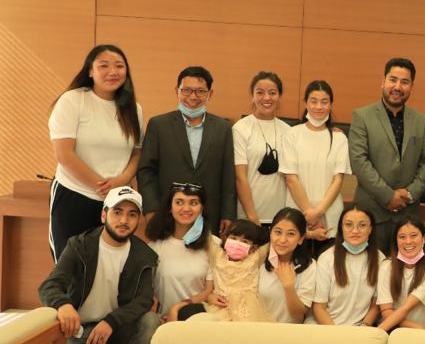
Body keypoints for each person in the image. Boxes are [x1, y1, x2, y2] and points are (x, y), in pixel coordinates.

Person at [38, 186, 159, 344]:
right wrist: (63, 304)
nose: (124, 220)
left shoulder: (145, 256)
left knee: (151, 321)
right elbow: (49, 285)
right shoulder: (79, 246)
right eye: (117, 212)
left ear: (139, 220)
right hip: (81, 330)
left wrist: (110, 322)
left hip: (116, 327)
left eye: (132, 214)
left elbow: (144, 300)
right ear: (104, 215)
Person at [48, 44, 143, 260]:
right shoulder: (73, 100)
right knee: (70, 266)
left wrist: (123, 179)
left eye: (119, 66)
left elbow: (137, 152)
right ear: (90, 71)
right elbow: (64, 154)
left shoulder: (133, 109)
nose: (113, 72)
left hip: (116, 201)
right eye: (104, 66)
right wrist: (100, 186)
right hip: (75, 195)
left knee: (109, 267)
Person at [137, 66, 236, 236]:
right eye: (187, 90)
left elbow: (227, 174)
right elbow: (146, 170)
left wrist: (228, 213)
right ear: (177, 91)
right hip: (166, 213)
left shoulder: (223, 128)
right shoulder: (158, 125)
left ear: (209, 94)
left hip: (208, 214)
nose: (193, 96)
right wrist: (151, 209)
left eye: (200, 91)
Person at [348, 58, 425, 254]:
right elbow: (359, 161)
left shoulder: (421, 120)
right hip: (370, 213)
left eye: (404, 82)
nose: (397, 87)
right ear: (383, 81)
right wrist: (388, 196)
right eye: (393, 80)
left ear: (412, 86)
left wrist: (409, 194)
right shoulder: (362, 116)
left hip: (408, 214)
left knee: (403, 274)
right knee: (369, 272)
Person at [280, 80, 351, 254]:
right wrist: (310, 214)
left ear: (331, 104)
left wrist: (319, 212)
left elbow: (338, 180)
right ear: (306, 102)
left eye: (324, 101)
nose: (318, 106)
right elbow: (291, 178)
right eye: (313, 101)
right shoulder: (292, 135)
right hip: (297, 215)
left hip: (330, 216)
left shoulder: (339, 138)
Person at [145, 182, 214, 320]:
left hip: (202, 323)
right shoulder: (153, 247)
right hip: (162, 323)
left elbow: (215, 291)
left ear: (202, 208)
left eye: (193, 203)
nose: (186, 208)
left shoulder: (214, 245)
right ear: (170, 207)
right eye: (179, 202)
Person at [233, 71, 289, 226]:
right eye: (260, 93)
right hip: (249, 217)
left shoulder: (288, 131)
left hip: (281, 217)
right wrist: (252, 217)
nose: (266, 98)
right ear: (252, 95)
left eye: (272, 93)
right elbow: (240, 177)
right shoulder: (241, 128)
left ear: (280, 96)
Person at [312, 205, 384, 326]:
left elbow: (375, 305)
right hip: (327, 327)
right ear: (341, 228)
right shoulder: (326, 258)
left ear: (370, 229)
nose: (355, 231)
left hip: (360, 329)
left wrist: (364, 326)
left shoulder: (380, 259)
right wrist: (338, 335)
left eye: (362, 225)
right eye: (349, 224)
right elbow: (319, 308)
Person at [198, 219, 273, 323]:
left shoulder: (254, 259)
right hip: (221, 306)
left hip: (247, 310)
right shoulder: (217, 256)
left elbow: (273, 241)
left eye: (244, 241)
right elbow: (205, 234)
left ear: (253, 248)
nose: (237, 243)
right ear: (226, 239)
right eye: (233, 238)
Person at [377, 219, 425, 331]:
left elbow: (406, 308)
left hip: (417, 332)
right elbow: (386, 310)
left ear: (424, 238)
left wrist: (419, 329)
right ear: (396, 241)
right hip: (390, 328)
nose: (408, 241)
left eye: (413, 236)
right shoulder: (386, 266)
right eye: (402, 237)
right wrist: (378, 332)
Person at [259, 208, 317, 324]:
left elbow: (298, 314)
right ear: (270, 232)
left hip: (290, 332)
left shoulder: (309, 266)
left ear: (301, 238)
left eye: (291, 234)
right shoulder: (259, 258)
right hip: (259, 328)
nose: (282, 240)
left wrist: (289, 287)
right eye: (278, 232)